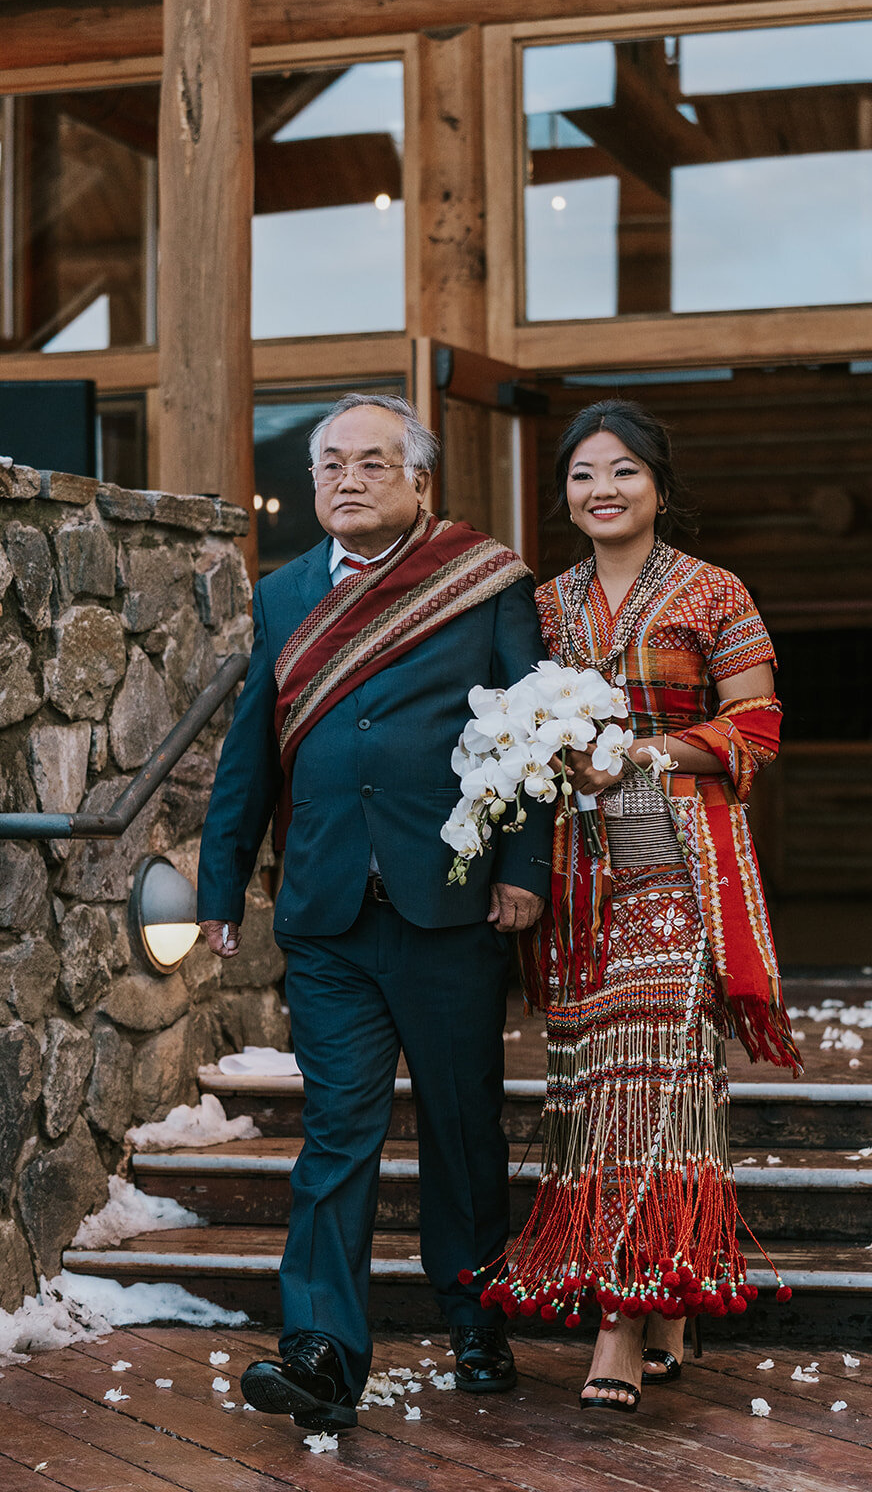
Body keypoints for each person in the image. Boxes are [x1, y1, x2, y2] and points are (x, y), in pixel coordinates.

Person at [196, 393, 552, 1432]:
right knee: (336, 1134)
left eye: (371, 463)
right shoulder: (284, 593)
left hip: (450, 906)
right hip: (326, 911)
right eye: (330, 465)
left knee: (460, 1129)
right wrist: (222, 883)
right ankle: (318, 1350)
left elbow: (529, 738)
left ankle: (476, 1316)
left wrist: (521, 865)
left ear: (419, 482)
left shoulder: (483, 582)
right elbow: (250, 751)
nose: (346, 480)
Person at [481, 400, 802, 1414]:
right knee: (590, 1084)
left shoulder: (713, 592)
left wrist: (650, 752)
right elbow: (505, 720)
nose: (601, 489)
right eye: (582, 475)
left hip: (678, 862)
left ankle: (619, 1320)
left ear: (658, 486)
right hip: (575, 869)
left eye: (621, 471)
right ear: (566, 494)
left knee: (658, 1077)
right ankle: (667, 1291)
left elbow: (755, 719)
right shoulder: (537, 604)